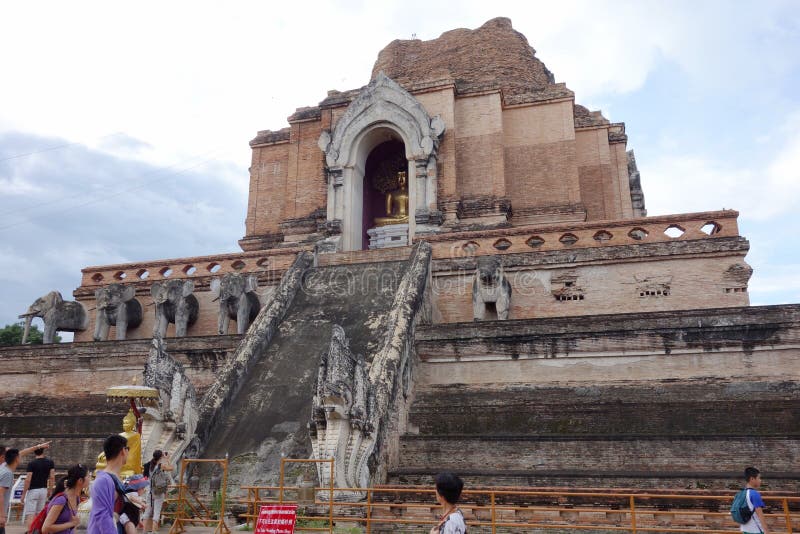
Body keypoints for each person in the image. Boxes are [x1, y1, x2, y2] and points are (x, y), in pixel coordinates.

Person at [88, 435, 129, 534]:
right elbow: (102, 515)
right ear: (123, 450)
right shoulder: (103, 480)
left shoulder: (113, 478)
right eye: (128, 448)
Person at [41, 464, 88, 534]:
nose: (90, 478)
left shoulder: (76, 498)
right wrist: (71, 524)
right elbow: (45, 528)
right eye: (88, 476)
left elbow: (73, 526)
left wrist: (73, 524)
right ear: (80, 480)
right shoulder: (61, 500)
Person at [22, 447, 56, 528]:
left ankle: (30, 532)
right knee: (39, 514)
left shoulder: (31, 463)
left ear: (34, 452)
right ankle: (37, 531)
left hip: (33, 490)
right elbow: (52, 477)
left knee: (30, 513)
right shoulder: (50, 462)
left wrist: (23, 494)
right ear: (43, 451)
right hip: (43, 490)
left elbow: (28, 479)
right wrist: (50, 490)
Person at [142, 451, 172, 534]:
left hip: (149, 492)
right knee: (157, 512)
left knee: (147, 512)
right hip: (158, 492)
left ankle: (144, 532)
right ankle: (154, 531)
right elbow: (171, 468)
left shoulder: (149, 465)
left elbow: (145, 478)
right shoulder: (161, 465)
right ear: (160, 457)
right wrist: (167, 459)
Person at [740, 467, 768, 534]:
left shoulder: (741, 493)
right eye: (758, 478)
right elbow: (760, 515)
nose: (760, 480)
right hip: (756, 530)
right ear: (752, 479)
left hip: (745, 529)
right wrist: (766, 531)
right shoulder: (755, 494)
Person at [0, 449, 21, 534]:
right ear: (16, 458)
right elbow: (0, 493)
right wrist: (2, 515)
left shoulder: (3, 468)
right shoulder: (8, 473)